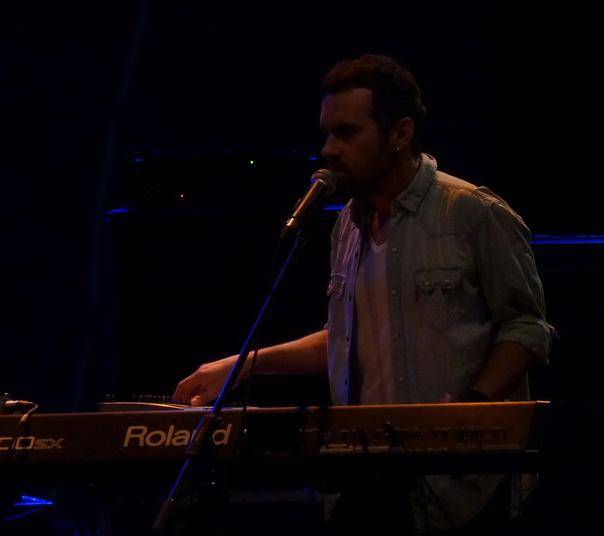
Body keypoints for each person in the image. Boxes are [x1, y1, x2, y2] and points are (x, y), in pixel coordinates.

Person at [173, 54, 554, 533]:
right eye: (326, 134)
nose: (329, 150)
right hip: (363, 478)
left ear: (400, 133)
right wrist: (240, 366)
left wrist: (466, 413)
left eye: (347, 133)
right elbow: (344, 336)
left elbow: (526, 329)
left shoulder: (472, 213)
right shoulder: (346, 228)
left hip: (458, 484)